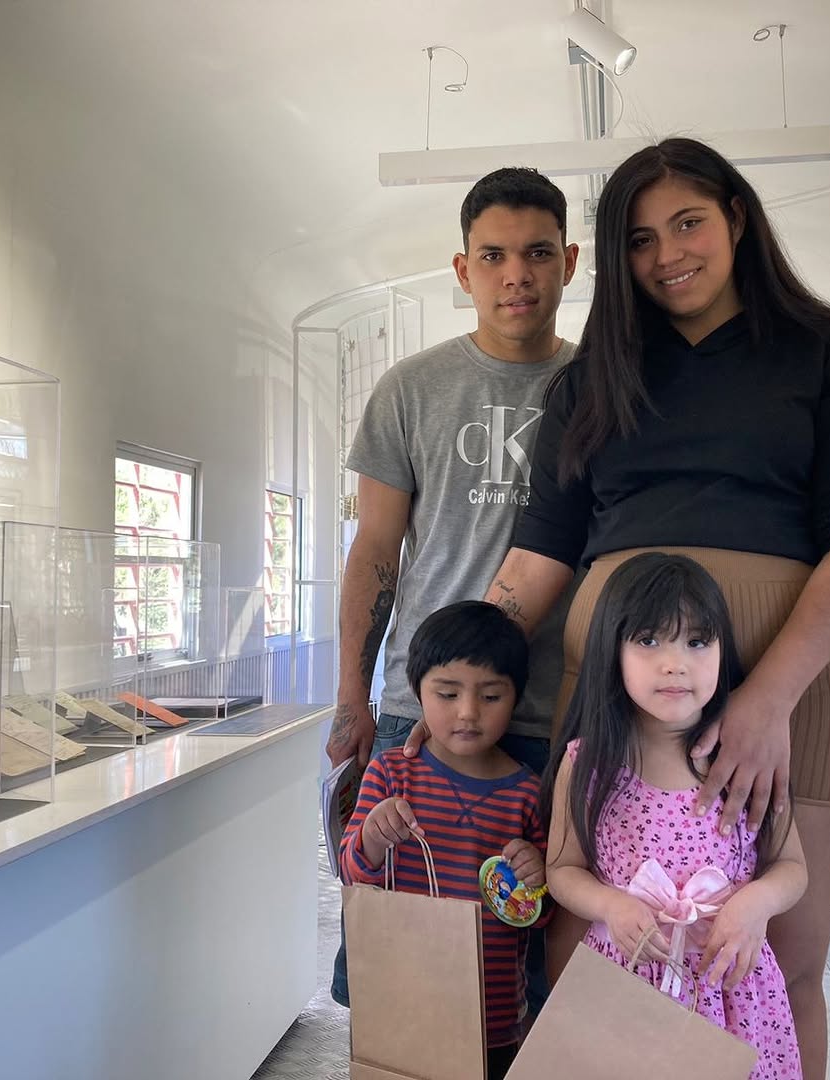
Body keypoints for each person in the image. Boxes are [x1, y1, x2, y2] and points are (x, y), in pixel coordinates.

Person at [485, 138, 830, 1079]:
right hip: (614, 705)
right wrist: (458, 669)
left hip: (802, 698)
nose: (667, 254)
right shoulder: (591, 379)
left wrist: (767, 700)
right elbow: (541, 553)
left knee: (780, 968)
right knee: (593, 961)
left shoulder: (828, 355)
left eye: (688, 223)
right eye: (639, 239)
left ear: (737, 218)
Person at [326, 166, 578, 1008]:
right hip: (422, 712)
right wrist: (354, 698)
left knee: (540, 963)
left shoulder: (602, 388)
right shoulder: (411, 388)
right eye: (494, 255)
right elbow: (376, 550)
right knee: (402, 960)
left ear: (570, 262)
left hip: (556, 715)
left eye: (538, 252)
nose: (517, 275)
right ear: (464, 270)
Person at [543, 554, 806, 1078]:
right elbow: (561, 869)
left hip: (732, 990)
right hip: (627, 984)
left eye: (697, 641)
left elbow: (792, 867)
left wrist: (755, 904)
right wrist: (611, 905)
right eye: (648, 640)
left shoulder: (743, 760)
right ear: (612, 650)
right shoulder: (588, 762)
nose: (675, 663)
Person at [339, 602, 548, 1080]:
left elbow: (541, 916)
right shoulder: (391, 773)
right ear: (417, 691)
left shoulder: (527, 793)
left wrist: (537, 878)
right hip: (399, 999)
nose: (468, 712)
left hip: (492, 1017)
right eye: (448, 693)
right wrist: (372, 838)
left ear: (516, 698)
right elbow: (352, 875)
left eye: (491, 696)